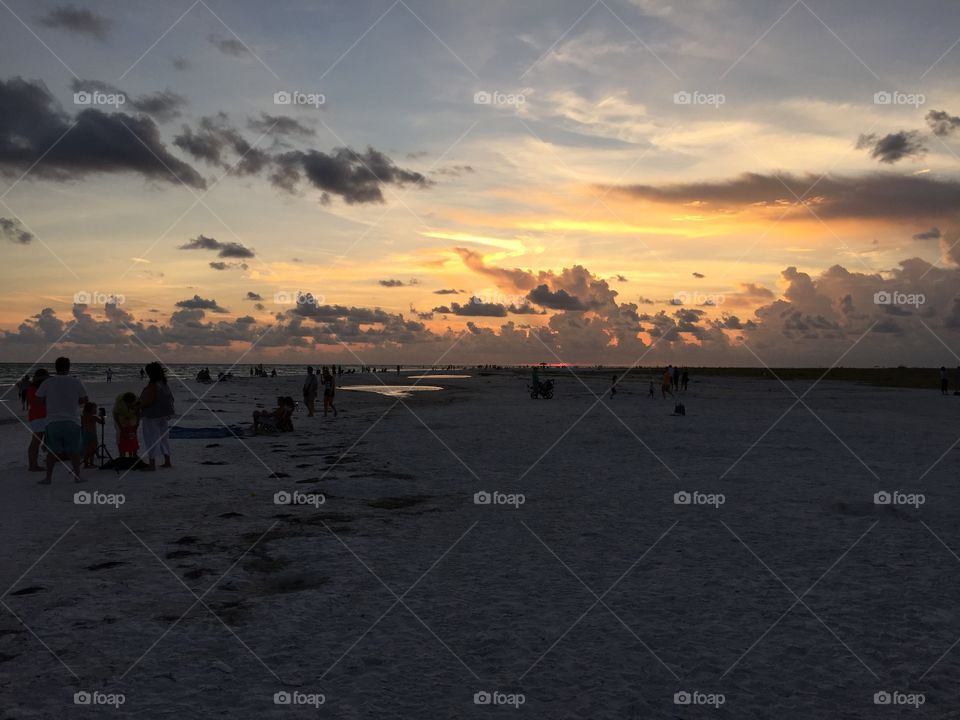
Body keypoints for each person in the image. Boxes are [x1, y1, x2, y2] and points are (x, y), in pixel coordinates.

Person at [35, 357, 88, 484]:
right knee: (74, 451)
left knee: (52, 452)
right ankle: (77, 477)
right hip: (72, 420)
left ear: (55, 367)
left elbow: (38, 400)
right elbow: (84, 399)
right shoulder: (76, 382)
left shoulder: (48, 382)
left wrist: (49, 403)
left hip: (53, 421)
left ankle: (48, 478)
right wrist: (73, 402)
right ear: (68, 367)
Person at [140, 361, 175, 470]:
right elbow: (171, 398)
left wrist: (137, 406)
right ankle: (167, 461)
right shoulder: (163, 383)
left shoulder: (153, 385)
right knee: (163, 438)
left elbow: (149, 401)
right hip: (163, 415)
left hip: (152, 415)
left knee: (151, 438)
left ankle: (152, 464)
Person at [26, 369, 49, 471]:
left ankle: (33, 464)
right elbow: (38, 402)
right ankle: (33, 465)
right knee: (36, 441)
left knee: (37, 440)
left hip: (39, 416)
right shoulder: (34, 388)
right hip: (38, 417)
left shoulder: (34, 387)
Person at [113, 392, 140, 458]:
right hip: (120, 416)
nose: (130, 406)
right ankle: (121, 454)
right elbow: (116, 415)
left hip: (132, 416)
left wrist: (137, 424)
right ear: (125, 403)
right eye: (129, 405)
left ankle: (135, 454)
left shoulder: (137, 400)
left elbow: (138, 413)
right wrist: (120, 427)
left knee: (133, 435)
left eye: (132, 404)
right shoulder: (119, 401)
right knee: (120, 434)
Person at [80, 402, 103, 468]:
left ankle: (87, 464)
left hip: (86, 434)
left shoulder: (83, 416)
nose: (95, 410)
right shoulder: (93, 417)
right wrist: (102, 416)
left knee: (88, 450)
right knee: (91, 450)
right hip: (90, 434)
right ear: (90, 409)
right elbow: (102, 422)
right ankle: (89, 464)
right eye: (94, 408)